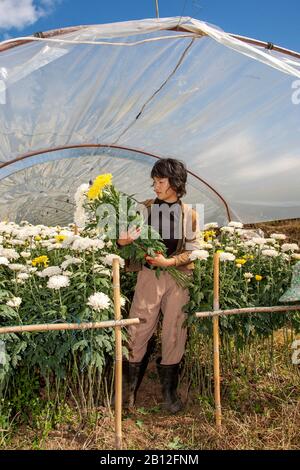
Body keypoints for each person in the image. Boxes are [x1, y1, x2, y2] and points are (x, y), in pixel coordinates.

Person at [117, 158, 202, 413]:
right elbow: (124, 241)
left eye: (160, 181)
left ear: (176, 183)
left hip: (179, 278)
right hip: (149, 276)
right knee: (138, 329)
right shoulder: (145, 209)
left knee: (175, 331)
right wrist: (122, 241)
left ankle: (169, 394)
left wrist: (170, 261)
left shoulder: (191, 214)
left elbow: (194, 251)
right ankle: (127, 395)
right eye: (154, 181)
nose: (155, 186)